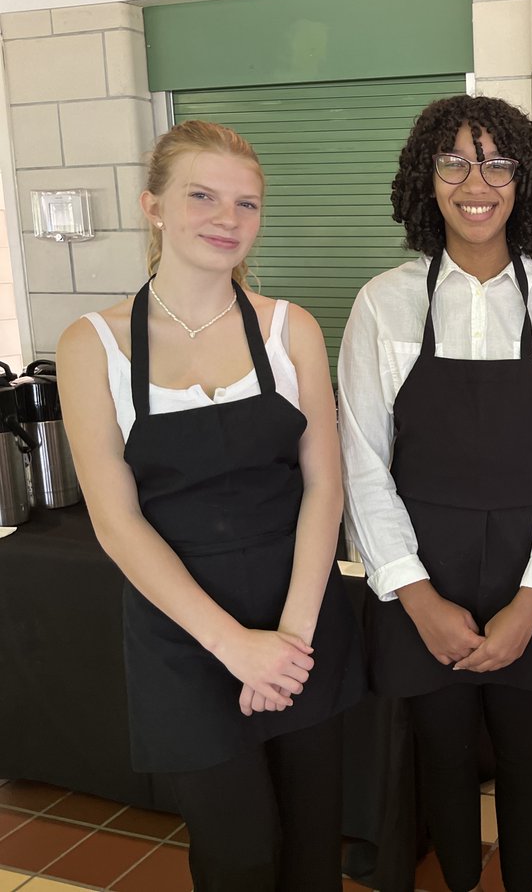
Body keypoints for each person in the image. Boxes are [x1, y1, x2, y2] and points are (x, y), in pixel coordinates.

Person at [57, 120, 366, 890]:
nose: (228, 218)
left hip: (301, 616)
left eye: (246, 203)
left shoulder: (290, 328)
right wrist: (234, 647)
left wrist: (288, 644)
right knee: (237, 853)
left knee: (312, 845)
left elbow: (325, 487)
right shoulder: (92, 344)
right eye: (202, 196)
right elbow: (116, 522)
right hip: (182, 636)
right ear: (153, 206)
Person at [338, 95, 532, 892]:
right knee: (442, 758)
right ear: (427, 178)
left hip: (528, 571)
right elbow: (362, 463)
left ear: (525, 181)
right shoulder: (383, 303)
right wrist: (416, 597)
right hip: (422, 571)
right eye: (453, 162)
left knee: (526, 754)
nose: (475, 183)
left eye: (496, 163)